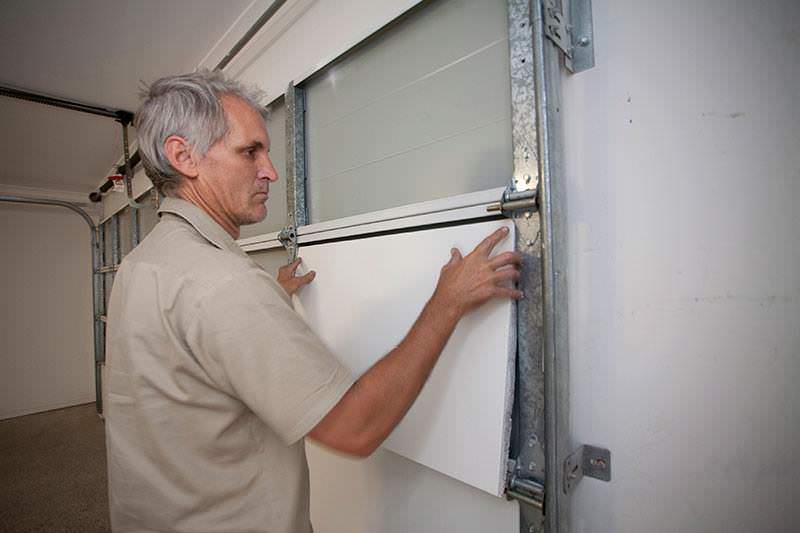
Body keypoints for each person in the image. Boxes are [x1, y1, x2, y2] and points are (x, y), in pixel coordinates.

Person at [104, 70, 522, 533]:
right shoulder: (225, 286)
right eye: (250, 151)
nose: (270, 171)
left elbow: (188, 355)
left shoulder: (142, 263)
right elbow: (356, 428)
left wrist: (272, 293)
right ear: (183, 156)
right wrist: (448, 302)